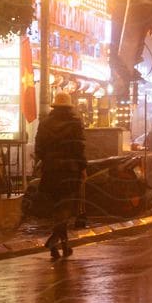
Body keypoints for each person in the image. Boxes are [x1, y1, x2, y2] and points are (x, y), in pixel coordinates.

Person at [33, 92, 87, 260]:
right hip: (70, 170)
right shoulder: (75, 123)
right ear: (69, 107)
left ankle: (61, 246)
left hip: (50, 170)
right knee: (66, 208)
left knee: (57, 207)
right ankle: (54, 241)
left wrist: (45, 160)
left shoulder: (44, 124)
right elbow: (79, 148)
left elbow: (39, 148)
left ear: (54, 107)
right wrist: (83, 167)